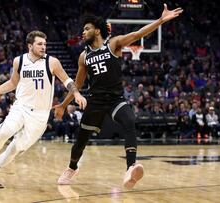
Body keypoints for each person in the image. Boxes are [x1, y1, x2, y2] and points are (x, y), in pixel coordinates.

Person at [54, 4, 183, 189]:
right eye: (83, 29)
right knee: (80, 142)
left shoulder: (113, 44)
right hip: (95, 100)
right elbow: (79, 84)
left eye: (87, 28)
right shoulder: (83, 56)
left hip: (115, 98)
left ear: (97, 31)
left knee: (130, 120)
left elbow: (138, 34)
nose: (83, 32)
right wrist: (63, 105)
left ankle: (130, 168)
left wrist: (161, 21)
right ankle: (72, 167)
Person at [0, 30, 87, 187]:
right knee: (5, 131)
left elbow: (67, 81)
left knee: (15, 148)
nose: (43, 47)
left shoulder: (52, 62)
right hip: (21, 107)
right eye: (39, 44)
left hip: (40, 115)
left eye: (45, 44)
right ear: (30, 45)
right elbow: (13, 83)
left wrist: (76, 94)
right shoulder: (19, 61)